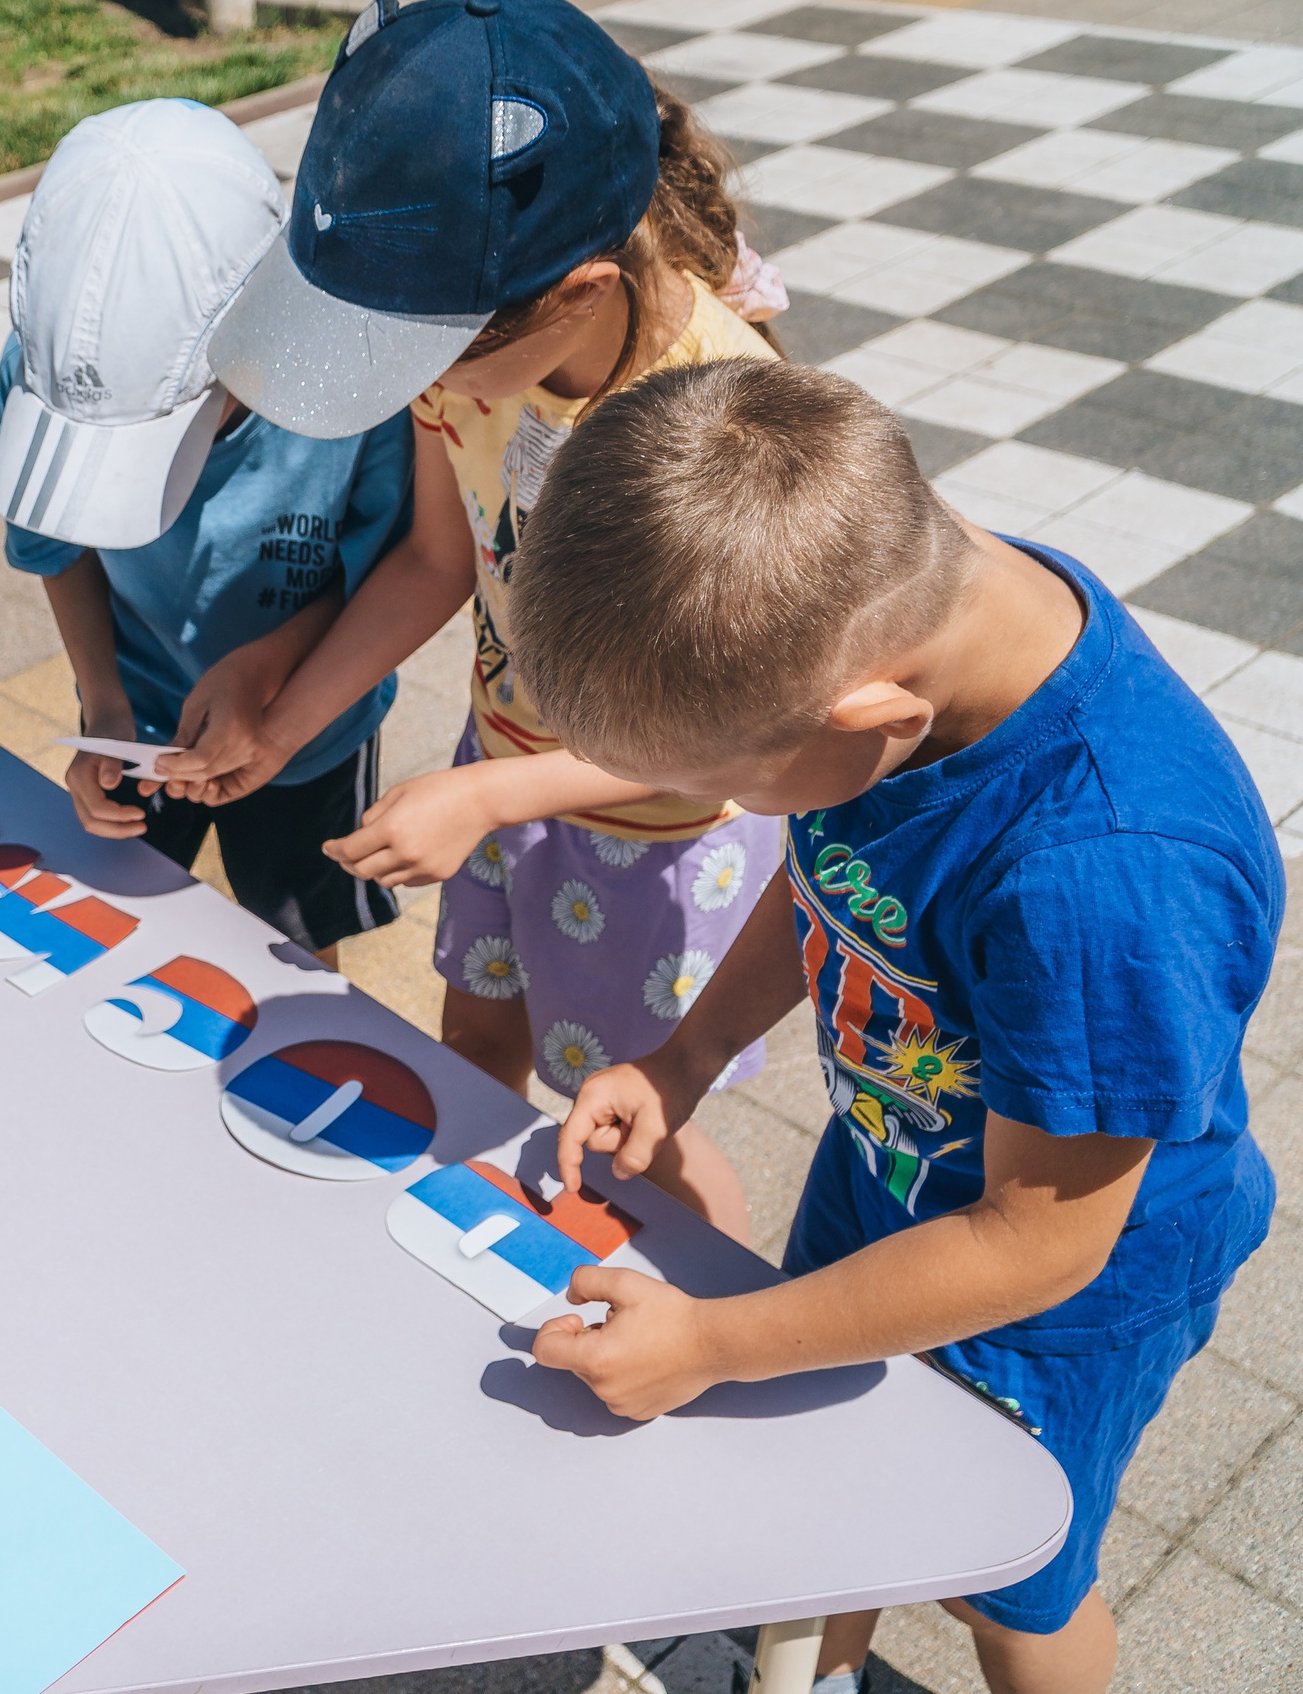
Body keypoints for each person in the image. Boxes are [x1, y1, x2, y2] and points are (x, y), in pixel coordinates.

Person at [512, 359, 1279, 1694]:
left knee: (1015, 1579)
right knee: (829, 1477)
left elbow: (1040, 1238)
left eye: (729, 788)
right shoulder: (911, 604)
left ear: (878, 714)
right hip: (896, 1172)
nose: (751, 819)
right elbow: (837, 872)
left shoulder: (1103, 873)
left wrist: (706, 1343)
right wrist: (684, 1055)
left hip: (1061, 1285)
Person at [182, 0, 788, 1235]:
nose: (402, 386)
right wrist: (285, 724)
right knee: (472, 1046)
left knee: (632, 1134)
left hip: (659, 835)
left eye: (419, 361)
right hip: (501, 777)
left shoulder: (725, 425)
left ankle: (710, 1324)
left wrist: (492, 796)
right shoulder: (457, 342)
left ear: (575, 294)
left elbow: (732, 730)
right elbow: (430, 559)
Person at [0, 98, 414, 965]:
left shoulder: (360, 385)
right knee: (104, 928)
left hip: (315, 726)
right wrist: (102, 700)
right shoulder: (35, 368)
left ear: (260, 327)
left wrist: (268, 684)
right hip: (134, 710)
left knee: (295, 940)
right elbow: (56, 544)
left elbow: (392, 575)